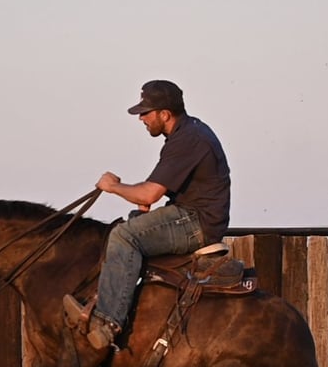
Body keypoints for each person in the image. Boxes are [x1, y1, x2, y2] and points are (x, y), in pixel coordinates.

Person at [64, 79, 231, 350]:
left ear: (165, 114)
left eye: (146, 112)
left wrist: (112, 187)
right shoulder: (186, 133)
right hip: (192, 216)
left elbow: (149, 194)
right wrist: (140, 200)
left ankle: (108, 323)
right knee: (132, 222)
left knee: (124, 235)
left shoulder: (188, 139)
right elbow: (155, 190)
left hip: (196, 223)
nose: (141, 118)